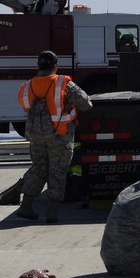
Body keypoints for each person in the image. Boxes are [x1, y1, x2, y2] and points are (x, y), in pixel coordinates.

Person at [15, 49, 94, 223]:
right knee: (57, 173)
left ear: (38, 66)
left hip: (36, 137)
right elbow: (86, 103)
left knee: (39, 169)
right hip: (60, 135)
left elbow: (25, 104)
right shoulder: (63, 83)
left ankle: (26, 206)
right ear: (56, 66)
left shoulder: (28, 86)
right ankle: (52, 213)